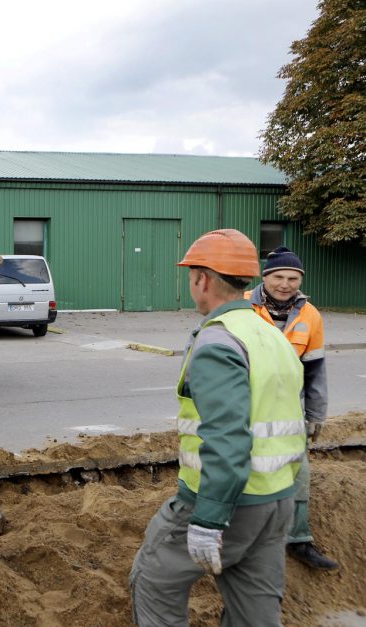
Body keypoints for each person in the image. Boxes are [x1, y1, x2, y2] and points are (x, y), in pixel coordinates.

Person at [130, 229, 306, 626]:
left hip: (228, 502)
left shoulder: (218, 342)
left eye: (192, 275)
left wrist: (208, 520)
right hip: (276, 500)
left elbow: (227, 438)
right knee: (255, 609)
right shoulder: (271, 336)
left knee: (154, 581)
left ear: (202, 279)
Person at [246, 246, 338, 571]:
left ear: (300, 280)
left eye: (293, 278)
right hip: (246, 406)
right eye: (279, 277)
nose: (285, 284)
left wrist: (316, 414)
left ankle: (298, 541)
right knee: (243, 469)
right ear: (265, 277)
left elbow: (315, 369)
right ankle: (241, 540)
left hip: (289, 410)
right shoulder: (243, 306)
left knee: (298, 473)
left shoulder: (310, 315)